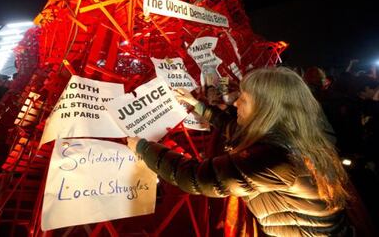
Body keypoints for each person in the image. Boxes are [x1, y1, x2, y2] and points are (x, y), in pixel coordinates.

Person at [127, 67, 354, 236]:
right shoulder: (295, 133)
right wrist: (196, 105)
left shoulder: (275, 159)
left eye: (243, 99)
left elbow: (196, 178)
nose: (236, 104)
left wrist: (143, 147)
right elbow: (233, 129)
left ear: (266, 108)